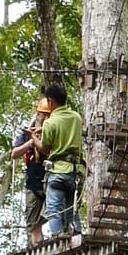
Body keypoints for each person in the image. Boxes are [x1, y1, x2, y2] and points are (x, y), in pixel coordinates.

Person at [38, 76, 83, 238]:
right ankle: (77, 233)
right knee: (72, 208)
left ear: (50, 102)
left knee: (54, 208)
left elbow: (44, 149)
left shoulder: (50, 122)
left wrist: (33, 138)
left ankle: (57, 237)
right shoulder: (77, 118)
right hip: (76, 171)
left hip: (58, 171)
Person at [9, 108, 46, 243]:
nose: (45, 117)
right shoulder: (28, 133)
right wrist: (31, 141)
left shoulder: (53, 130)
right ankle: (37, 248)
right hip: (33, 183)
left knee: (57, 215)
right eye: (43, 114)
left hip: (51, 181)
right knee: (34, 224)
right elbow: (14, 154)